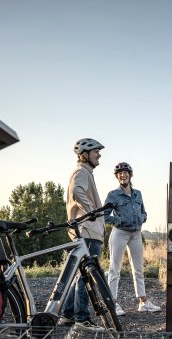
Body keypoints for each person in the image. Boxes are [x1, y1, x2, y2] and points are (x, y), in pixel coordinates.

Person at [59, 138, 106, 328]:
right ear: (85, 155)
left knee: (80, 276)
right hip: (88, 230)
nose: (99, 155)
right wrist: (91, 212)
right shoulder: (81, 172)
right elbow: (77, 191)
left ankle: (68, 314)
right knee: (87, 276)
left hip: (86, 230)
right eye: (96, 152)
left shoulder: (85, 172)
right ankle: (82, 318)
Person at [104, 162, 161, 315]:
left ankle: (143, 302)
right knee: (114, 269)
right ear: (117, 176)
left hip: (136, 234)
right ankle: (113, 304)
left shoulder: (138, 194)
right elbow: (104, 216)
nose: (123, 175)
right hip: (119, 234)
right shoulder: (113, 195)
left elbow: (144, 211)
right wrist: (117, 221)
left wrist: (143, 218)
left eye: (125, 172)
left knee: (139, 269)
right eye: (120, 173)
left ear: (130, 174)